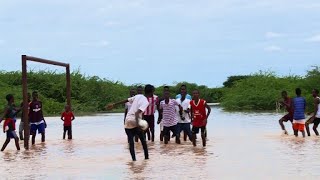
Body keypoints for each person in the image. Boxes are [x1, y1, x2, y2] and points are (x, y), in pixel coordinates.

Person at [107, 85, 152, 161]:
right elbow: (137, 113)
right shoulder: (146, 101)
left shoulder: (137, 96)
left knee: (131, 143)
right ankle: (146, 159)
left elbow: (126, 100)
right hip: (135, 120)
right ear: (151, 92)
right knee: (143, 141)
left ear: (144, 91)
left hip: (127, 120)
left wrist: (114, 104)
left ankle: (133, 161)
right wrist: (138, 125)